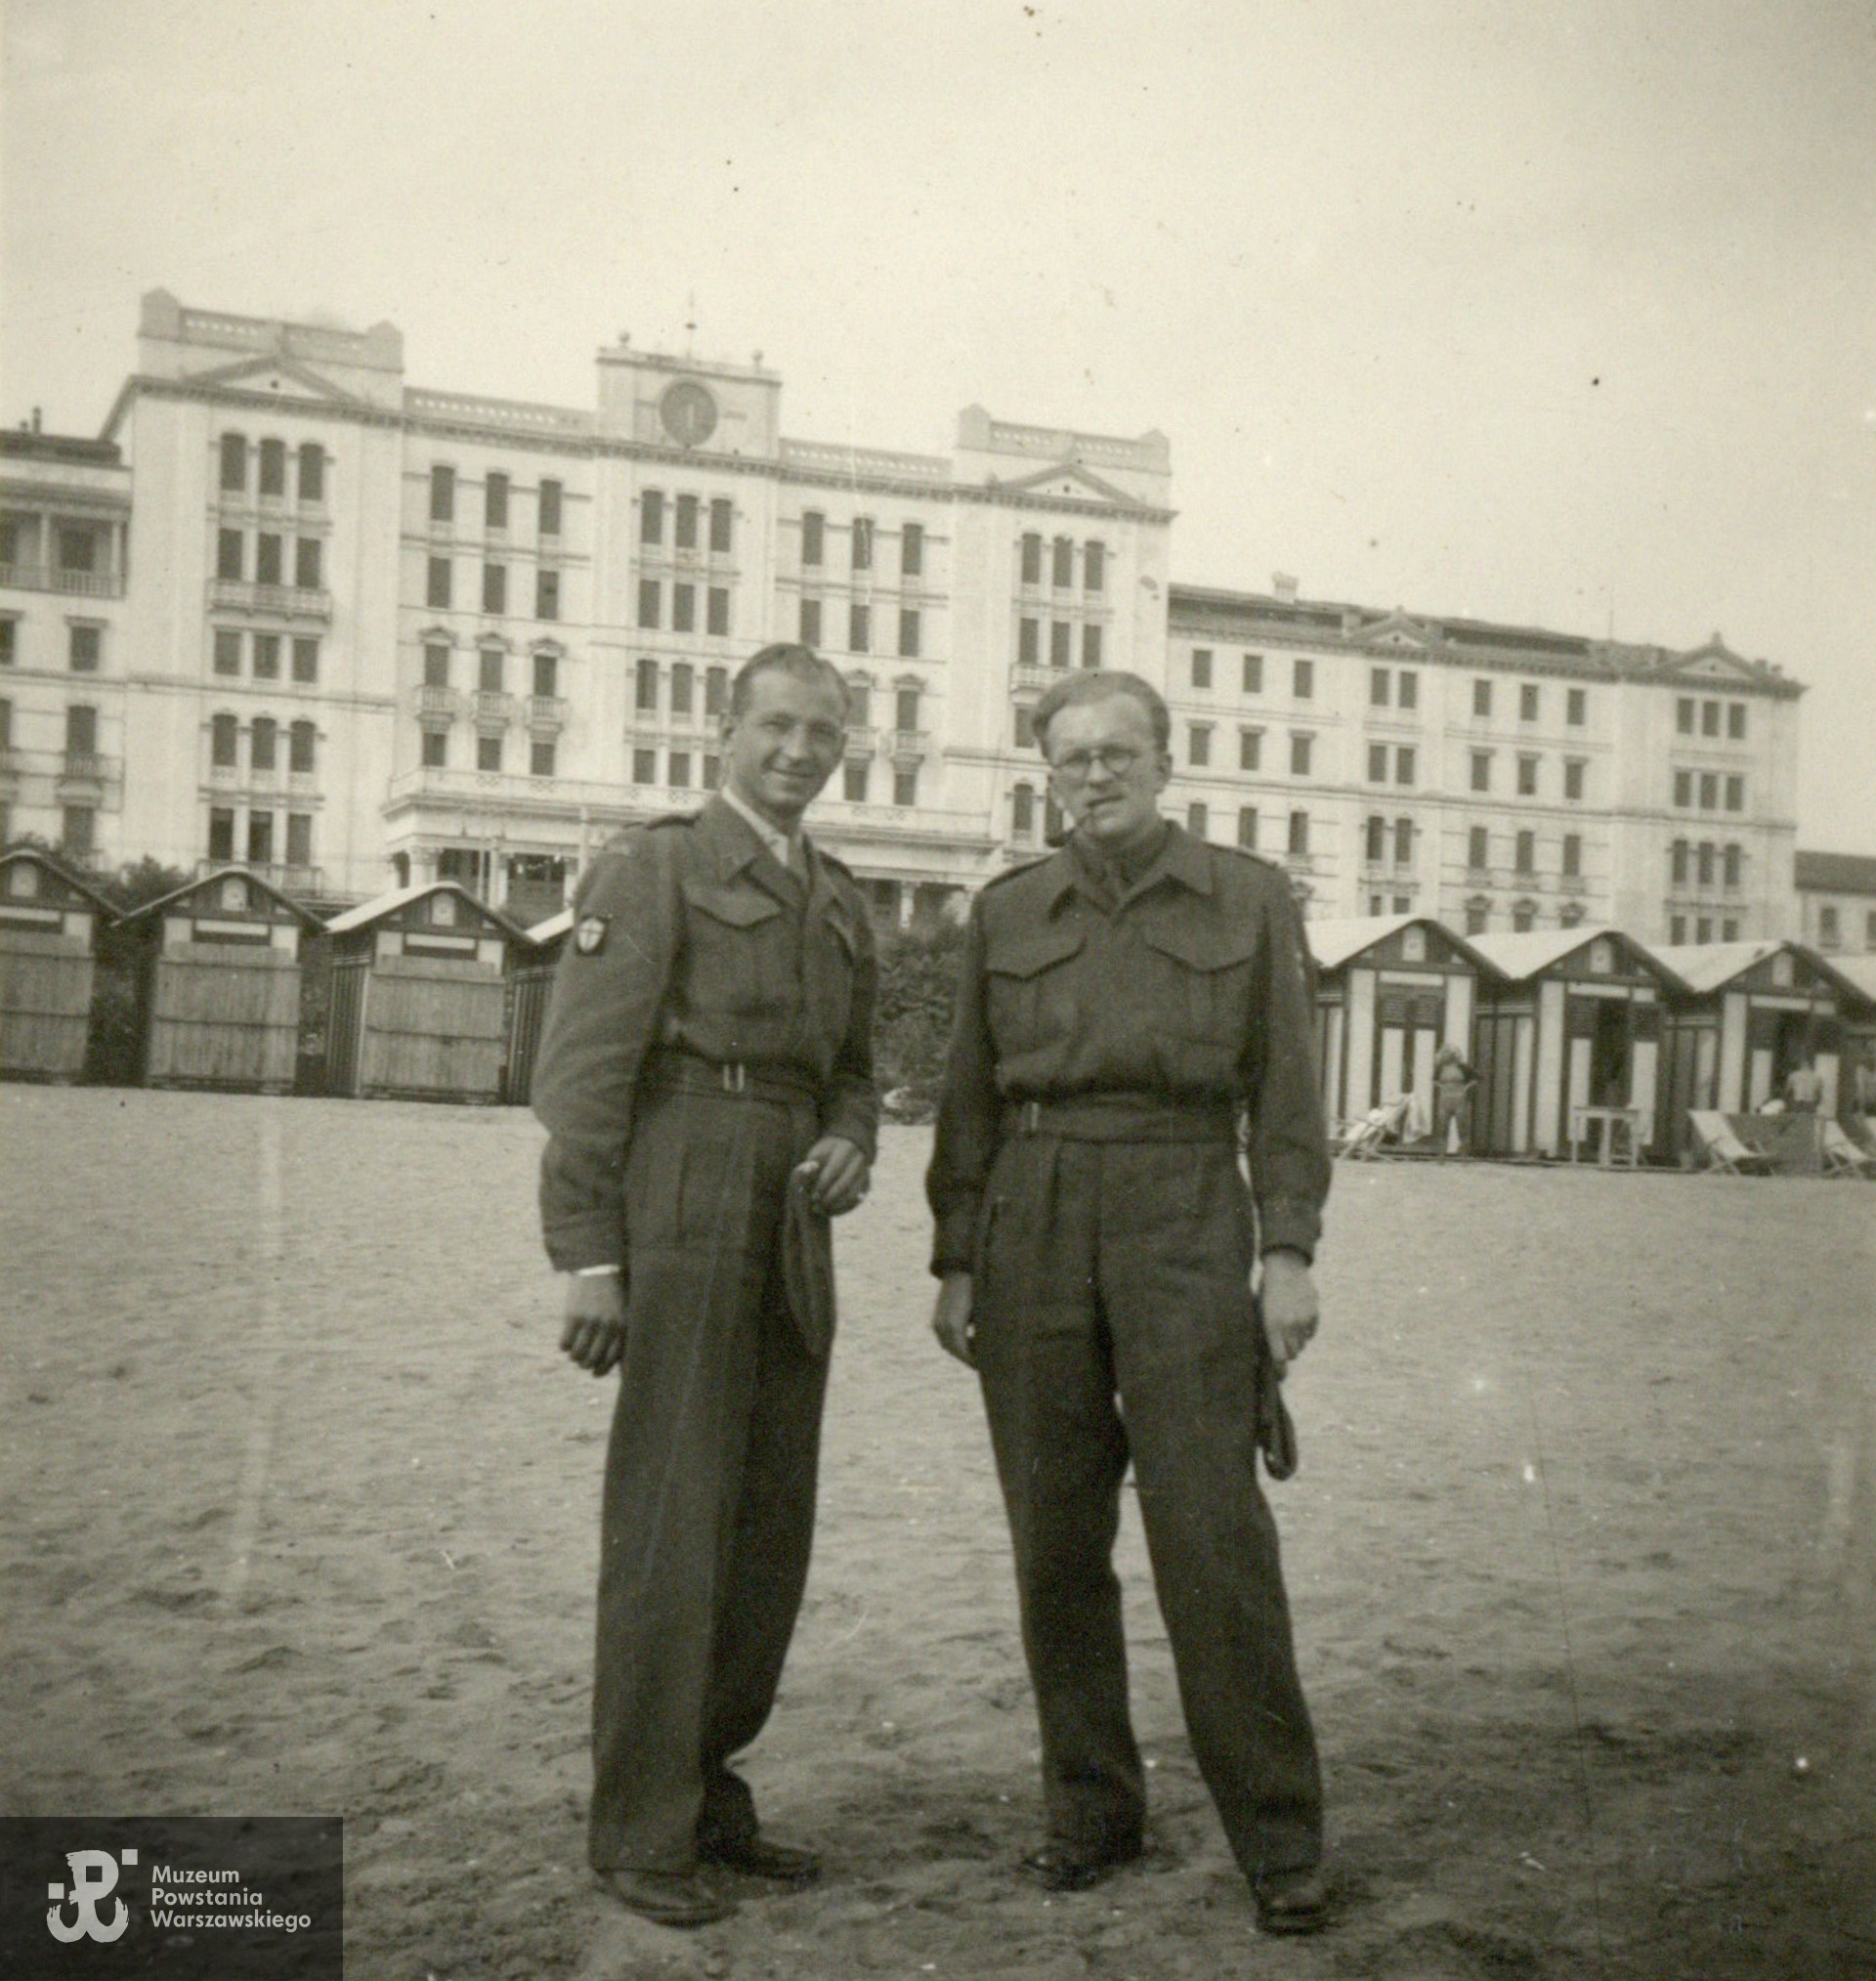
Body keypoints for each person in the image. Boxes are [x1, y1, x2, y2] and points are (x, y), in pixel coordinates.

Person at [925, 670, 1333, 1937]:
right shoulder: (1007, 910)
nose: (1092, 774)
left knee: (1211, 1531)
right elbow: (970, 1099)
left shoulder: (1249, 899)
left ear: (1166, 761)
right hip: (1030, 1214)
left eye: (1117, 752)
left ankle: (1280, 1839)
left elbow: (1286, 1095)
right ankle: (1091, 1812)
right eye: (1069, 757)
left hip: (1182, 1206)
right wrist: (955, 1255)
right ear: (1045, 773)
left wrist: (1290, 1251)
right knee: (1055, 1534)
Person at [533, 643, 878, 1929]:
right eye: (778, 725)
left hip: (794, 1205)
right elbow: (580, 1078)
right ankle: (637, 1824)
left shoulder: (835, 893)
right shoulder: (657, 864)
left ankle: (707, 1791)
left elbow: (851, 1063)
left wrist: (856, 1134)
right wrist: (590, 1258)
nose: (800, 751)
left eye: (824, 733)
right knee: (676, 1515)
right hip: (681, 1186)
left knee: (769, 1515)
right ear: (724, 730)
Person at [1432, 1041, 1476, 1157]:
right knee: (1442, 1127)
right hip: (1444, 1100)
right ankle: (1441, 1155)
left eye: (1451, 1053)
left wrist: (1465, 1088)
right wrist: (1442, 1087)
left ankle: (1464, 1154)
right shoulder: (1440, 1068)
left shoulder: (1463, 1067)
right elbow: (1435, 1080)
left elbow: (1475, 1079)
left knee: (1462, 1128)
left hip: (1460, 1099)